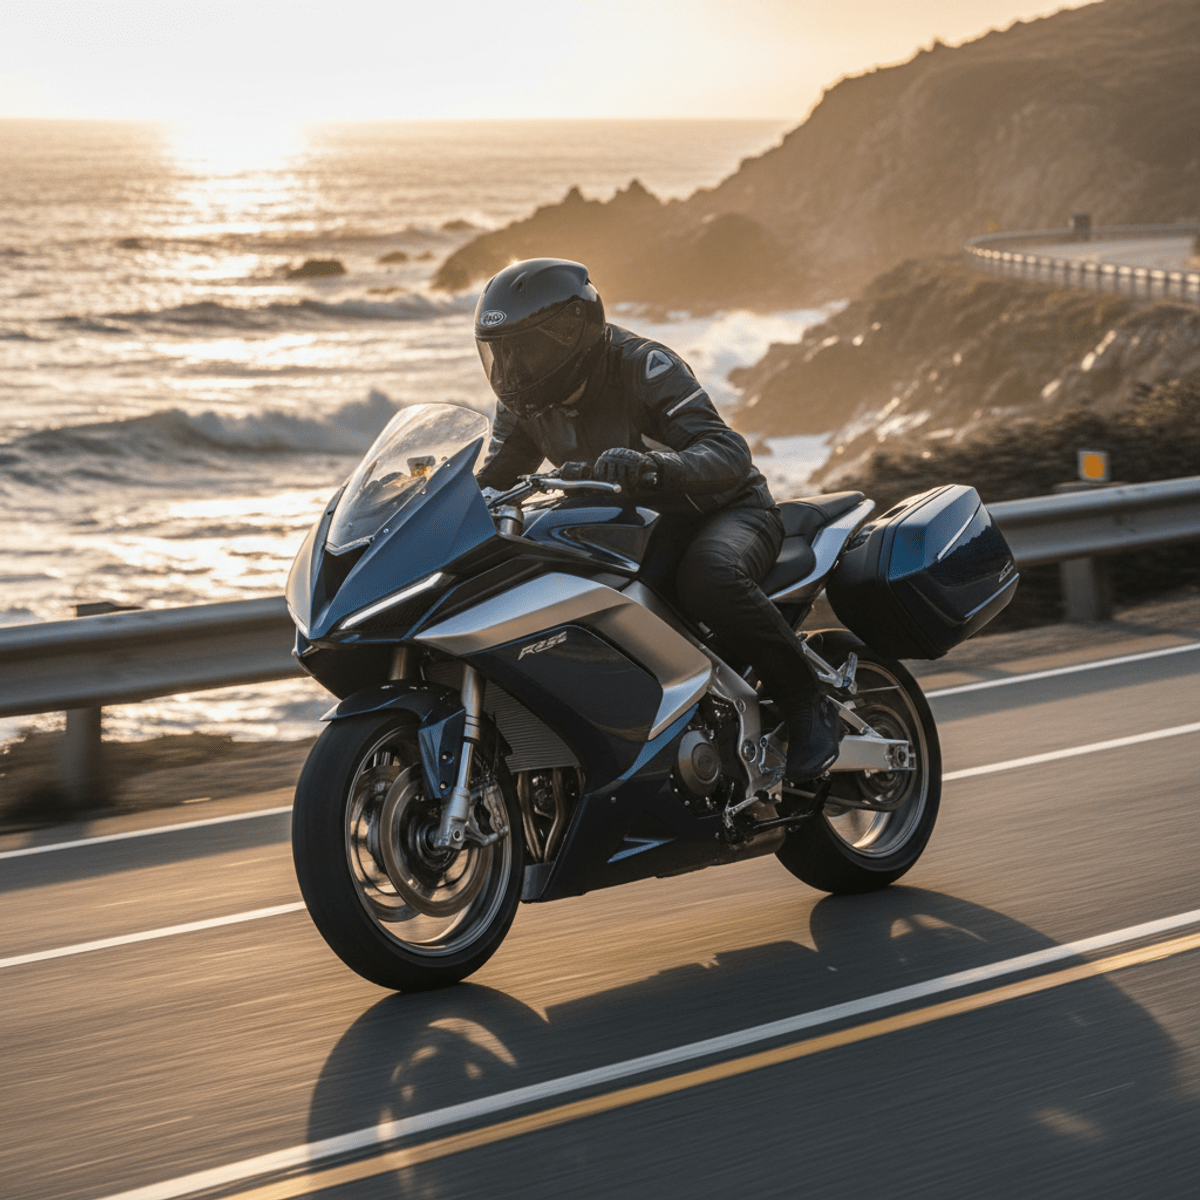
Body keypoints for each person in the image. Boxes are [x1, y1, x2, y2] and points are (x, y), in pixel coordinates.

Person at [473, 257, 840, 788]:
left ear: (568, 336)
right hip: (634, 526)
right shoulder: (528, 399)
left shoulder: (643, 366)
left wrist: (655, 468)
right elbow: (496, 476)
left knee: (707, 578)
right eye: (501, 352)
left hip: (723, 510)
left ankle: (809, 705)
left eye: (524, 349)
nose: (510, 367)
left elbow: (728, 452)